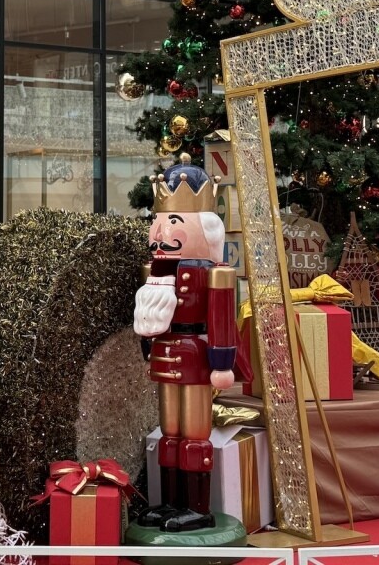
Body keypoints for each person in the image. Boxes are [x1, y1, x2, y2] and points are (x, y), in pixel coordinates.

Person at [133, 154, 236, 532]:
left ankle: (198, 507)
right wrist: (148, 350)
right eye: (159, 222)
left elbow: (222, 321)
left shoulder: (214, 274)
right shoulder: (155, 273)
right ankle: (171, 503)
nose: (161, 232)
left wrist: (223, 363)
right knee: (169, 434)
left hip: (196, 358)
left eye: (173, 222)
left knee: (194, 436)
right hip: (164, 354)